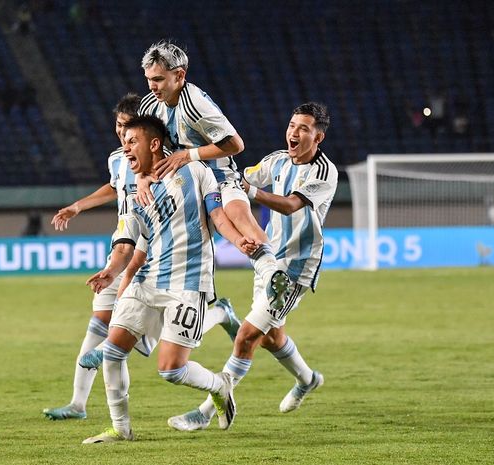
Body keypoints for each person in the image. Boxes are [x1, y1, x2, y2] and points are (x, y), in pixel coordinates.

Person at [43, 94, 240, 421]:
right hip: (123, 245)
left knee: (150, 342)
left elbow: (210, 207)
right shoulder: (118, 160)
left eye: (129, 131)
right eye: (119, 128)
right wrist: (79, 205)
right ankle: (85, 406)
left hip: (152, 252)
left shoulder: (175, 168)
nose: (122, 136)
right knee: (106, 327)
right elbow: (113, 189)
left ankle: (216, 316)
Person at [82, 115, 259, 443]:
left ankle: (219, 386)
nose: (125, 148)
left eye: (132, 142)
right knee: (113, 350)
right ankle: (120, 428)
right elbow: (138, 248)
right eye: (124, 143)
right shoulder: (139, 193)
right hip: (148, 280)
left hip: (188, 284)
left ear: (154, 144)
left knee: (171, 370)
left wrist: (240, 242)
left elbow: (218, 217)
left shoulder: (195, 172)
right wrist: (113, 274)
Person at [167, 102, 338, 431]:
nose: (294, 133)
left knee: (246, 337)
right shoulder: (276, 161)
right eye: (292, 125)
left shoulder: (324, 172)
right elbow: (240, 178)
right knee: (272, 337)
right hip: (268, 258)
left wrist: (251, 190)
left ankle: (205, 411)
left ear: (319, 137)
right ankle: (307, 379)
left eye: (304, 129)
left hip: (295, 270)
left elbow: (289, 205)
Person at [136, 40, 291, 312]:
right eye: (149, 79)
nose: (152, 86)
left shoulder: (195, 103)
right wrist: (141, 176)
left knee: (239, 218)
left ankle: (273, 276)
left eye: (159, 79)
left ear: (180, 75)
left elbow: (235, 145)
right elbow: (139, 145)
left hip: (218, 175)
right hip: (180, 185)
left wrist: (188, 155)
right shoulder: (150, 105)